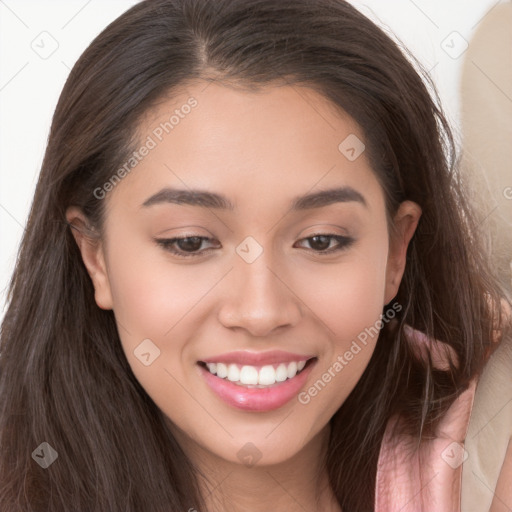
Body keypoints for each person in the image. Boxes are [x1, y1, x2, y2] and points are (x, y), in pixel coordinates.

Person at [0, 0, 510, 510]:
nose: (261, 311)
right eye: (190, 242)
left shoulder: (480, 458)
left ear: (396, 252)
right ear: (96, 257)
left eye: (321, 240)